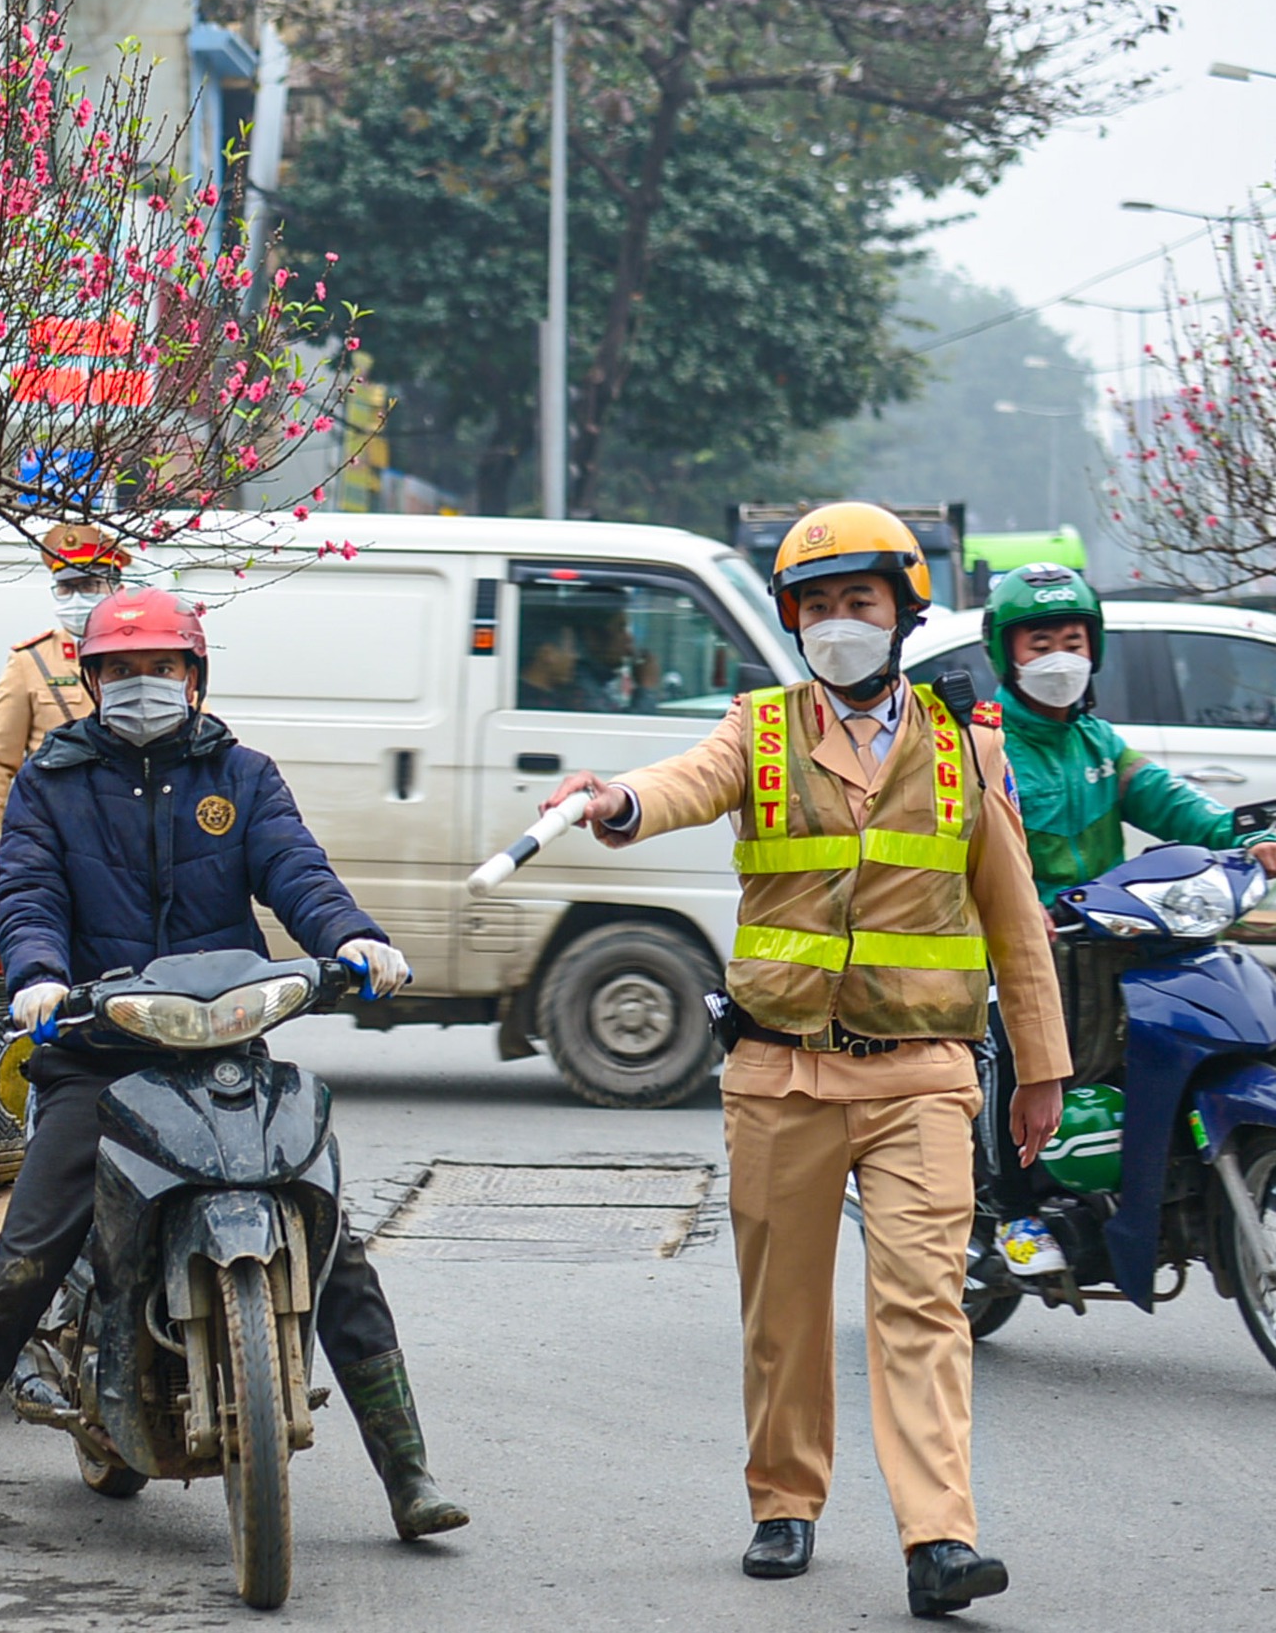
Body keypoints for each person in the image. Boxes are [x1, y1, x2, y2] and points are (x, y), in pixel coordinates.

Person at [540, 502, 1069, 1620]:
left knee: (922, 1306)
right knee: (780, 1312)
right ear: (792, 621)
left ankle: (939, 1535)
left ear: (901, 612)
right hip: (778, 1072)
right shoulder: (761, 731)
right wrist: (615, 800)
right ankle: (784, 1499)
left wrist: (1041, 1066)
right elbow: (680, 782)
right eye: (817, 606)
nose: (838, 623)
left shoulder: (970, 750)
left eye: (858, 602)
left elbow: (1014, 917)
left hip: (920, 1072)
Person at [0, 587, 468, 1550]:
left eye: (162, 668)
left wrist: (354, 939)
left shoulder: (243, 774)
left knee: (333, 1244)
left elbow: (297, 872)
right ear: (91, 679)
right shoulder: (49, 784)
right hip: (95, 1057)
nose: (141, 686)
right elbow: (26, 897)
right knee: (22, 1264)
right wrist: (36, 978)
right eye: (121, 670)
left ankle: (410, 1475)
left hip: (224, 1045)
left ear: (194, 678)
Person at [976, 562, 1276, 1277]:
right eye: (1039, 641)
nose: (1059, 658)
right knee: (1011, 1043)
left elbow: (1182, 810)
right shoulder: (989, 748)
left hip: (1107, 943)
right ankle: (1012, 1209)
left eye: (1073, 641)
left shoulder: (1101, 747)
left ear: (1094, 650)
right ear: (1005, 654)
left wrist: (1247, 845)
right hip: (1019, 950)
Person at [0, 522, 129, 901]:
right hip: (55, 833)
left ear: (117, 589)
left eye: (88, 586)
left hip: (131, 832)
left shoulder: (146, 652)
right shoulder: (32, 661)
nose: (76, 597)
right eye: (66, 588)